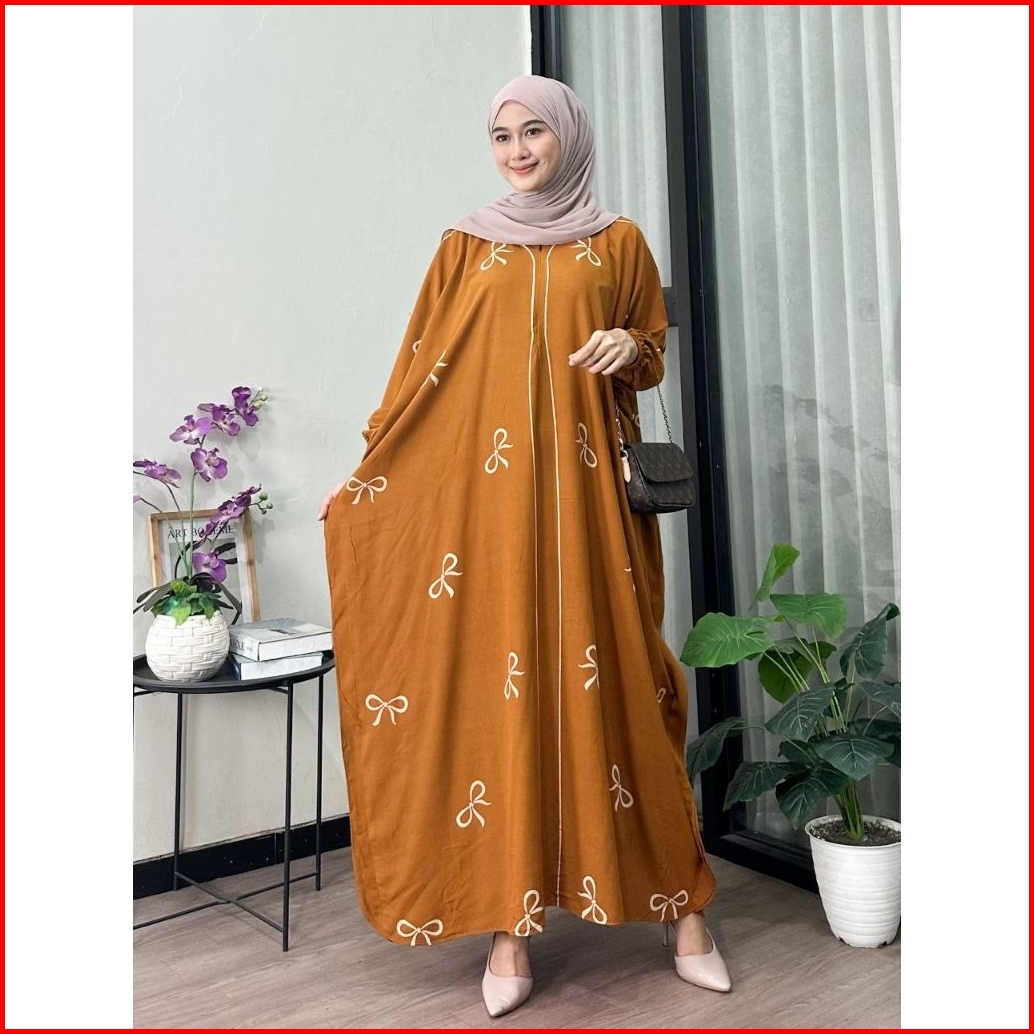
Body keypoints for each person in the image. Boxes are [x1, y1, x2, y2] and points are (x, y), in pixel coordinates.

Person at [319, 74, 731, 1018]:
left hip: (593, 512)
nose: (516, 150)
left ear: (568, 136)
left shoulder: (618, 240)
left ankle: (685, 913)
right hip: (493, 514)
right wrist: (369, 471)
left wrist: (630, 347)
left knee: (629, 691)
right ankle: (510, 926)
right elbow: (419, 370)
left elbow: (652, 350)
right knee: (501, 697)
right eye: (501, 135)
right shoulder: (465, 245)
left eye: (533, 131)